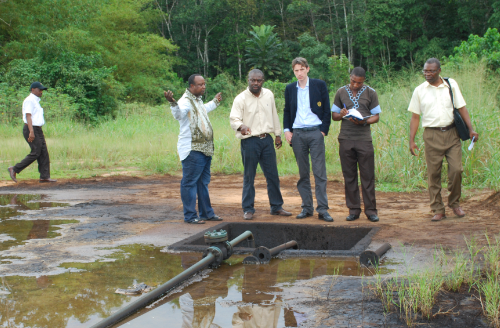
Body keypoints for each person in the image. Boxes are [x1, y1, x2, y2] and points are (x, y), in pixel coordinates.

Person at [408, 58, 479, 221]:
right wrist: (411, 140)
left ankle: (455, 204)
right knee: (434, 174)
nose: (428, 74)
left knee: (456, 170)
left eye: (431, 71)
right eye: (425, 71)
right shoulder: (419, 90)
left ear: (439, 70)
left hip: (452, 133)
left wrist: (471, 129)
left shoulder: (451, 85)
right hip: (431, 135)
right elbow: (415, 117)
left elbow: (462, 108)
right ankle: (438, 209)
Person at [230, 69, 292, 220]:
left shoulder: (268, 95)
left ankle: (276, 207)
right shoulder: (240, 98)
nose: (255, 83)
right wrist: (241, 126)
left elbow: (274, 114)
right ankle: (248, 209)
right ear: (248, 80)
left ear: (263, 81)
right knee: (249, 176)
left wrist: (277, 134)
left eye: (259, 80)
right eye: (253, 80)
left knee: (272, 175)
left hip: (267, 140)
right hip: (249, 141)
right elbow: (234, 118)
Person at [164, 74, 224, 224]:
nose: (203, 87)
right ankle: (190, 216)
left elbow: (203, 110)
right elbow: (179, 115)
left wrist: (215, 102)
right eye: (200, 85)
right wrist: (172, 103)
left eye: (204, 84)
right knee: (190, 182)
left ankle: (206, 213)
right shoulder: (185, 101)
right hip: (192, 149)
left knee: (202, 183)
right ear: (191, 86)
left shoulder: (197, 100)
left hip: (204, 148)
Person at [283, 57, 333, 222]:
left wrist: (323, 131)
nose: (299, 73)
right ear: (293, 71)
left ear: (307, 69)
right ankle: (307, 208)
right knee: (303, 173)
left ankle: (323, 209)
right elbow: (287, 110)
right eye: (296, 71)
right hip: (297, 133)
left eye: (302, 70)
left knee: (319, 173)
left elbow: (326, 108)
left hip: (315, 132)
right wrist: (287, 131)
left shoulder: (319, 85)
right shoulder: (290, 88)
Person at [331, 67, 381, 222]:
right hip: (346, 138)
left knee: (367, 175)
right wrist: (342, 114)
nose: (355, 85)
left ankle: (371, 210)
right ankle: (353, 209)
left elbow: (376, 116)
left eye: (359, 83)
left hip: (364, 139)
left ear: (363, 80)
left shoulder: (370, 93)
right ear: (350, 77)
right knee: (349, 175)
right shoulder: (340, 92)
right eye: (353, 81)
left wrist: (364, 121)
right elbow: (334, 115)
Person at [8, 82, 56, 183]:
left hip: (37, 129)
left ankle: (45, 177)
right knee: (36, 152)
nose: (41, 91)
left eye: (42, 90)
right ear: (33, 89)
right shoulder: (30, 100)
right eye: (40, 89)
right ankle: (14, 169)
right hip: (31, 128)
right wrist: (31, 131)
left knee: (43, 152)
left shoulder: (35, 101)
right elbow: (28, 116)